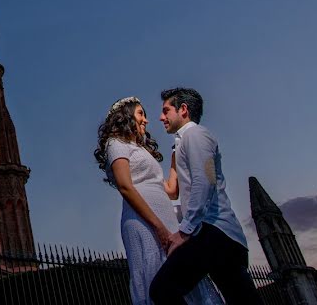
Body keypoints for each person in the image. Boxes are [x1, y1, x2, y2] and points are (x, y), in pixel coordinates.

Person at [95, 96, 222, 305]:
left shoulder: (142, 150)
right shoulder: (115, 143)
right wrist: (159, 228)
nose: (145, 120)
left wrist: (175, 159)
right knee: (155, 272)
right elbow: (126, 187)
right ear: (125, 117)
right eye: (140, 114)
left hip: (166, 220)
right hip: (144, 222)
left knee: (177, 274)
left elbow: (171, 191)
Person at [149, 87, 262, 304]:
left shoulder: (196, 135)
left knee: (162, 289)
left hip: (214, 232)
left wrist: (185, 231)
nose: (161, 117)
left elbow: (206, 180)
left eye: (166, 110)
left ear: (183, 109)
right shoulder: (185, 140)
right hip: (219, 235)